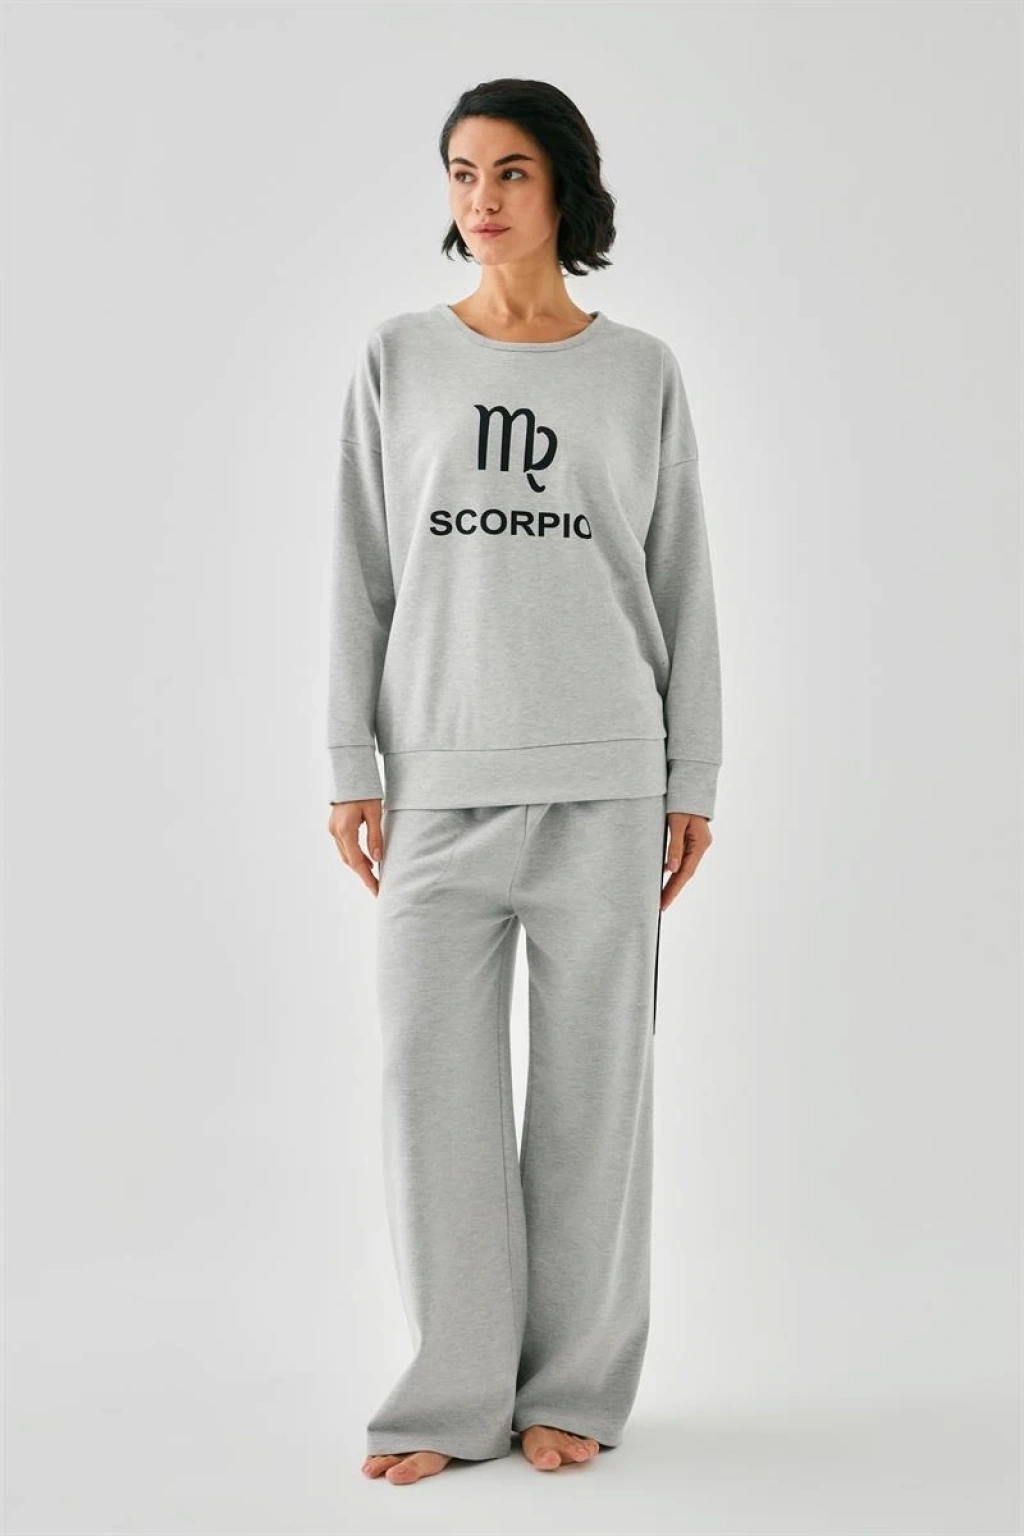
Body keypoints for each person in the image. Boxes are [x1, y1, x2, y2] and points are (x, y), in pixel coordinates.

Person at [326, 78, 723, 1485]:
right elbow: (361, 571)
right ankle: (450, 1396)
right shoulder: (398, 359)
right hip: (437, 785)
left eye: (508, 172)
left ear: (563, 188)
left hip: (607, 783)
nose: (481, 199)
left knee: (593, 1104)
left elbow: (681, 581)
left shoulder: (641, 373)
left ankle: (574, 1388)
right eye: (461, 172)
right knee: (429, 1099)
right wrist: (350, 759)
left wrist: (693, 774)